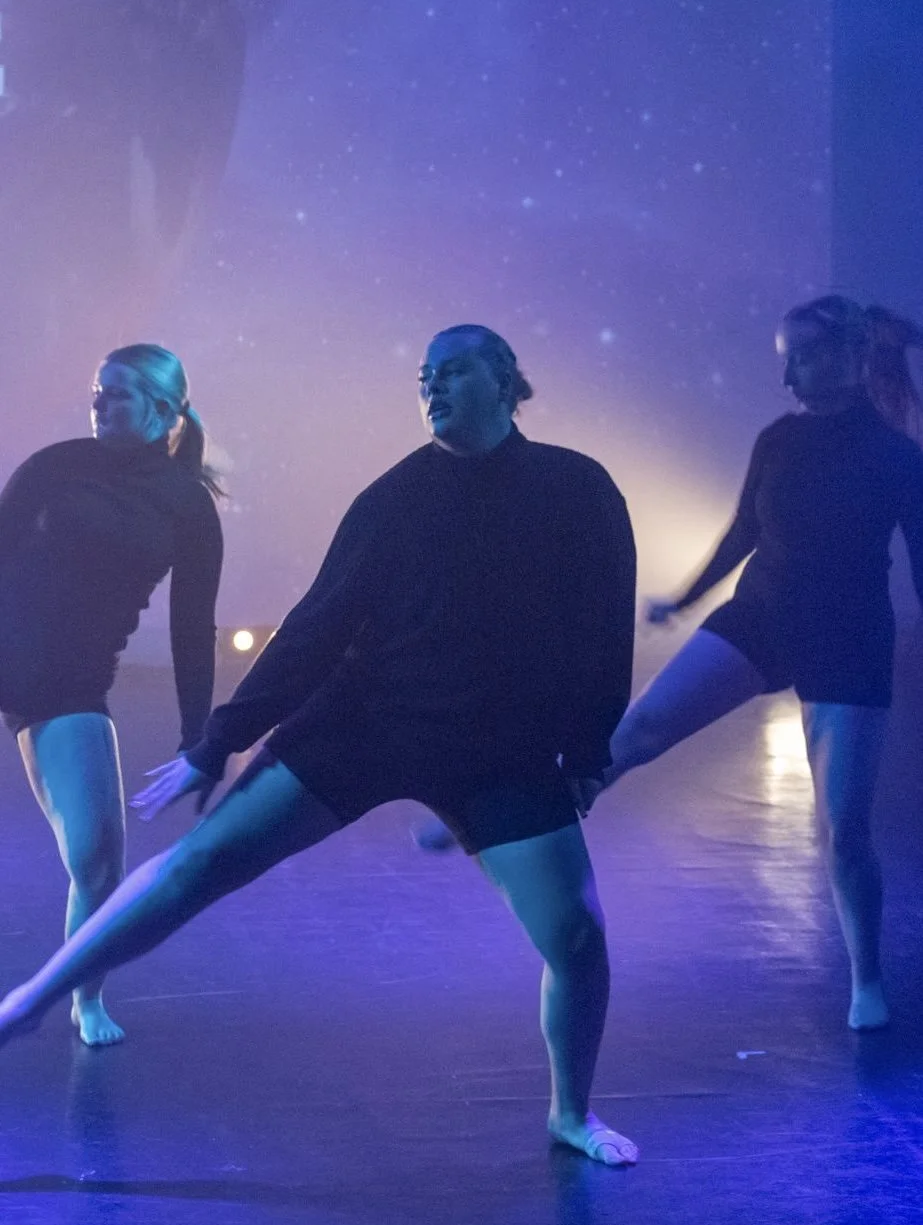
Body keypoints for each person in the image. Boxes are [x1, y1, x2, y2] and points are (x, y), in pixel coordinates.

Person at [0, 325, 638, 1166]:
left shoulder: (576, 487)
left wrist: (587, 750)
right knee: (199, 864)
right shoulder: (393, 499)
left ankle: (569, 1114)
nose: (433, 387)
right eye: (423, 375)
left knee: (577, 938)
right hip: (364, 724)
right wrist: (218, 739)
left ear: (506, 382)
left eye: (452, 372)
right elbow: (314, 628)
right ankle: (32, 1001)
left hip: (497, 745)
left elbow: (603, 624)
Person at [605, 297, 923, 1032]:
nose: (786, 374)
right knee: (639, 728)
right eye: (783, 357)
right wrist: (683, 600)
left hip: (848, 638)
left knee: (841, 830)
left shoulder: (898, 458)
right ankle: (516, 818)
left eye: (801, 356)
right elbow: (743, 529)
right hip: (760, 615)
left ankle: (865, 977)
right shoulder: (777, 440)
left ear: (847, 357)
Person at [0, 343, 223, 1045]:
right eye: (97, 391)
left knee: (99, 859)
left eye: (117, 393)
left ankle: (80, 998)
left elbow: (193, 629)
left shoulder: (188, 505)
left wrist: (199, 738)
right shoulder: (55, 465)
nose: (99, 403)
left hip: (66, 683)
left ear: (163, 409)